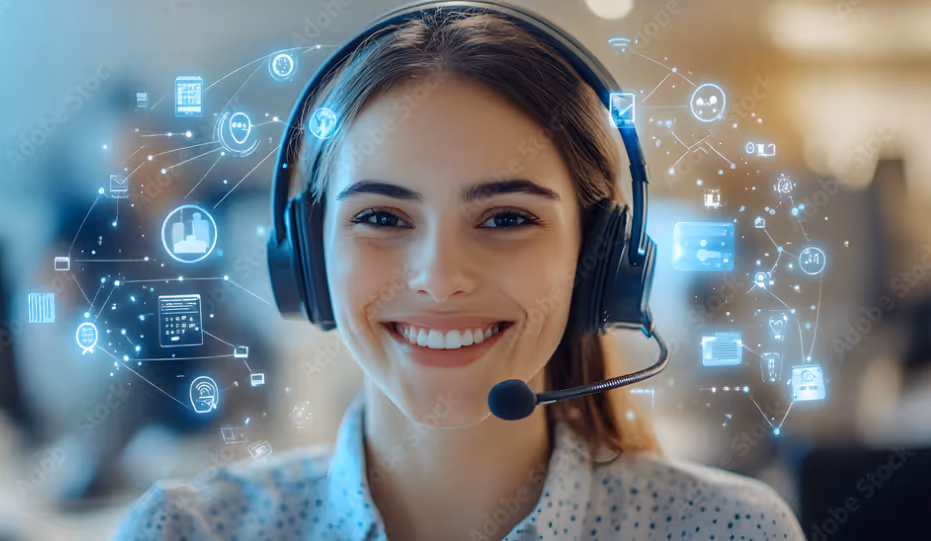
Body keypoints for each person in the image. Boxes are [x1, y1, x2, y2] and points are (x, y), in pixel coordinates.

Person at [112, 8, 806, 541]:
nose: (440, 278)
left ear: (597, 258)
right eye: (382, 217)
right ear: (309, 258)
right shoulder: (187, 530)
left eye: (506, 218)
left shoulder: (725, 527)